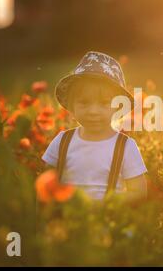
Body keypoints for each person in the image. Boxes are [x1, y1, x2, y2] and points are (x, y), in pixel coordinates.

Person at [41, 51, 147, 205]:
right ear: (71, 106)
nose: (93, 111)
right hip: (68, 221)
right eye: (84, 103)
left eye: (104, 103)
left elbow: (138, 192)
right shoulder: (62, 142)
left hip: (109, 222)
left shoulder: (125, 146)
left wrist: (106, 203)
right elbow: (46, 186)